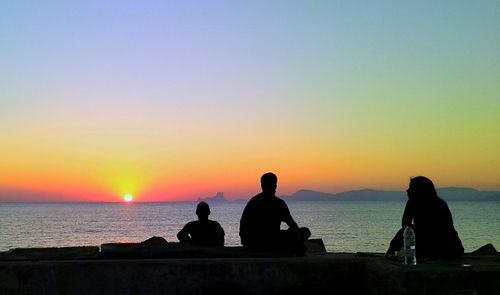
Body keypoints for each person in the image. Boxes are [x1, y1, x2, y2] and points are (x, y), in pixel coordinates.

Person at [386, 176, 464, 260]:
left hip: (446, 246)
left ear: (419, 190)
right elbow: (406, 225)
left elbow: (438, 231)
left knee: (406, 231)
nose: (407, 190)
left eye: (411, 188)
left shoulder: (438, 205)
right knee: (407, 231)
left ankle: (392, 253)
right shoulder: (435, 203)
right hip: (446, 247)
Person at [239, 172, 311, 254]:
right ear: (275, 185)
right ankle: (293, 248)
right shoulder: (278, 203)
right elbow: (293, 225)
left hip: (249, 243)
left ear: (262, 185)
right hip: (269, 242)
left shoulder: (252, 201)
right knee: (305, 231)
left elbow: (243, 228)